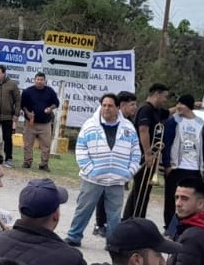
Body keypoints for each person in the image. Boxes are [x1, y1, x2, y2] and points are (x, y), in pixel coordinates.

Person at [65, 93, 140, 248]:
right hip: (92, 178)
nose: (106, 109)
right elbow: (80, 149)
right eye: (104, 105)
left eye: (110, 106)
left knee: (114, 215)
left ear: (118, 108)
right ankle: (74, 236)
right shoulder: (89, 125)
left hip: (117, 179)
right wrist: (89, 169)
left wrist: (129, 172)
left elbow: (136, 152)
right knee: (83, 209)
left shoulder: (129, 128)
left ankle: (113, 243)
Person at [161, 94, 204, 230]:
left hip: (194, 168)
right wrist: (167, 164)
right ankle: (170, 229)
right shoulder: (174, 121)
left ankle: (186, 226)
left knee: (190, 200)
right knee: (173, 200)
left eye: (181, 104)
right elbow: (167, 143)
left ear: (188, 106)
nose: (178, 107)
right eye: (177, 104)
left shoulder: (200, 123)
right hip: (177, 167)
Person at [123, 83, 170, 220]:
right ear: (157, 94)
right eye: (164, 97)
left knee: (141, 189)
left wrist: (181, 107)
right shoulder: (145, 110)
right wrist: (148, 154)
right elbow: (144, 130)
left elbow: (169, 112)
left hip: (150, 155)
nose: (165, 100)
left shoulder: (157, 110)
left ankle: (129, 217)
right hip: (144, 155)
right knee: (142, 190)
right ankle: (137, 219)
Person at [94, 90, 138, 237]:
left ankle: (112, 229)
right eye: (132, 105)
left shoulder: (128, 124)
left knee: (114, 202)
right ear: (122, 106)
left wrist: (129, 169)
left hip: (120, 169)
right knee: (102, 195)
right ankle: (100, 224)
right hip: (103, 168)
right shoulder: (103, 121)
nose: (134, 108)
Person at [20, 72, 59, 171]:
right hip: (30, 123)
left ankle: (44, 164)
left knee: (46, 145)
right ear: (34, 80)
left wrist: (50, 108)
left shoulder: (50, 91)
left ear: (45, 81)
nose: (39, 81)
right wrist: (27, 113)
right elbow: (22, 105)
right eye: (38, 79)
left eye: (42, 80)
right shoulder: (28, 91)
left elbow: (56, 103)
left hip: (45, 123)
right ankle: (27, 162)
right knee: (28, 144)